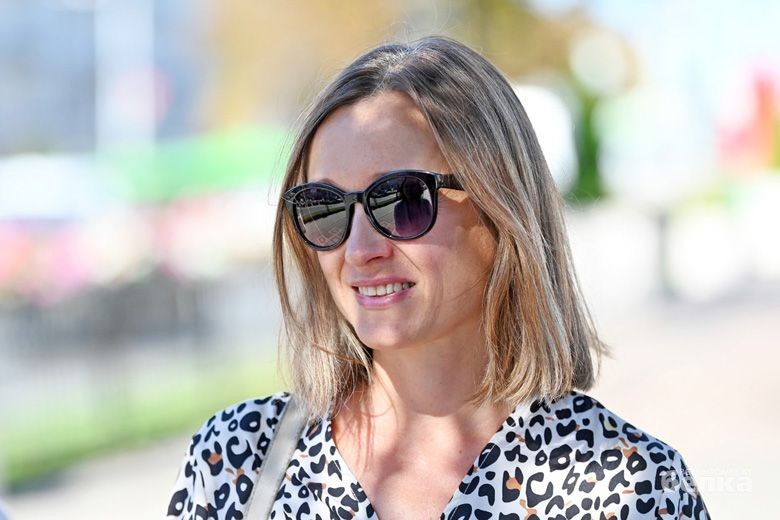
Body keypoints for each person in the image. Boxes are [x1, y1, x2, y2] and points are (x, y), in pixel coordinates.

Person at [167, 36, 710, 519]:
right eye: (324, 208)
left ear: (501, 208)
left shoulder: (627, 488)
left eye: (401, 200)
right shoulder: (236, 463)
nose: (360, 249)